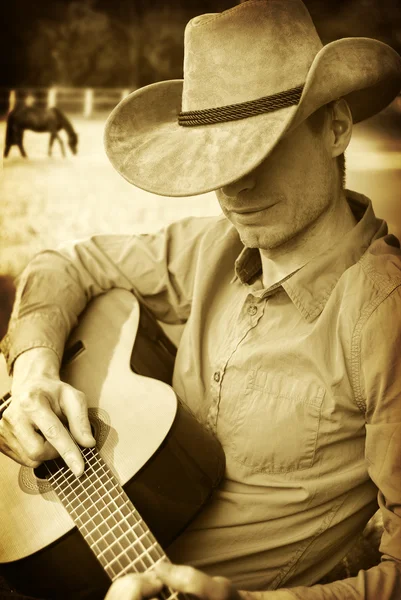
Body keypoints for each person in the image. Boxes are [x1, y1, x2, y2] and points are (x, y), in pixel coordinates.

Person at [1, 0, 401, 598]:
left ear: (336, 128)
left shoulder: (385, 314)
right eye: (215, 157)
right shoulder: (208, 248)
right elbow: (64, 263)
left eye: (259, 149)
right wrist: (32, 374)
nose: (235, 185)